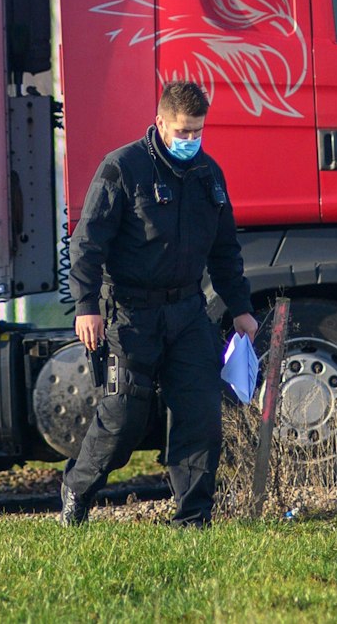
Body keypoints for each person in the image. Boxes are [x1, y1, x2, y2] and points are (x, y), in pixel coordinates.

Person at [61, 81, 257, 528]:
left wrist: (240, 307)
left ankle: (192, 519)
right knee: (123, 419)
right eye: (183, 132)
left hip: (188, 311)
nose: (191, 141)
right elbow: (87, 244)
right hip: (129, 313)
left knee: (200, 414)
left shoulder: (209, 174)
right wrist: (85, 304)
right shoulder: (123, 169)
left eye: (198, 132)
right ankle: (77, 491)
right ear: (161, 124)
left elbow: (225, 251)